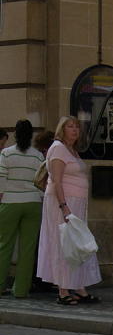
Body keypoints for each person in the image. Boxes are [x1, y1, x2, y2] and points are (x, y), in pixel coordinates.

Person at [36, 115, 101, 305]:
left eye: (77, 127)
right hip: (62, 202)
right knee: (62, 242)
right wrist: (64, 206)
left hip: (77, 202)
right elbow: (56, 180)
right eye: (70, 127)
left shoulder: (72, 151)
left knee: (77, 243)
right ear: (62, 130)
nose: (74, 130)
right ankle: (63, 289)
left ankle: (79, 287)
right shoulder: (58, 149)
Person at [0, 119, 45, 297]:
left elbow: (1, 179)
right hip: (33, 203)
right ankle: (21, 289)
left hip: (10, 202)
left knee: (4, 245)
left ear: (15, 135)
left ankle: (0, 285)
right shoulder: (37, 156)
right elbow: (42, 180)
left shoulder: (6, 154)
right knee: (28, 248)